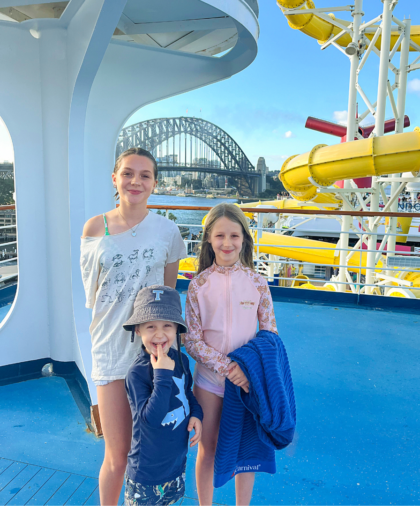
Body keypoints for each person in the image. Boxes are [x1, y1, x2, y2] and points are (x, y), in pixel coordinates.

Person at [81, 147, 187, 505]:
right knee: (117, 452)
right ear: (115, 178)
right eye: (128, 173)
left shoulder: (168, 231)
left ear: (155, 182)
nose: (135, 181)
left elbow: (166, 295)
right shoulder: (95, 227)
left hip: (153, 349)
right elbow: (93, 294)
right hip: (110, 347)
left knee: (155, 443)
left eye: (145, 175)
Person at [184, 203, 278, 506]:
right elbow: (193, 342)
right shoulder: (198, 285)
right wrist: (229, 367)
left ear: (244, 239)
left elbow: (270, 336)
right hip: (210, 383)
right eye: (220, 235)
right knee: (207, 449)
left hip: (246, 384)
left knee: (245, 451)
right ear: (209, 239)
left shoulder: (258, 283)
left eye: (234, 236)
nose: (227, 243)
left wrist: (247, 370)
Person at [122, 286, 203, 506]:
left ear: (177, 327)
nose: (159, 334)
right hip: (146, 474)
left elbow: (186, 393)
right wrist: (162, 375)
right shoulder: (137, 373)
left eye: (167, 325)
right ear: (138, 330)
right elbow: (150, 419)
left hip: (175, 466)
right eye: (151, 327)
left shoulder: (182, 360)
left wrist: (196, 414)